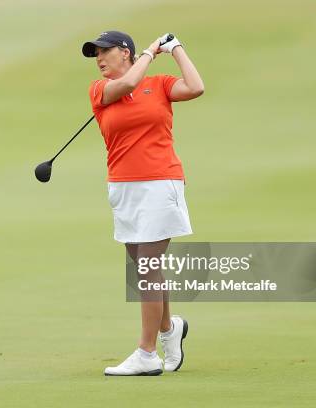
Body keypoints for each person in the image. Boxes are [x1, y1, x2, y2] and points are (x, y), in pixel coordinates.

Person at [82, 30, 205, 376]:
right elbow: (126, 85)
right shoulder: (100, 90)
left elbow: (195, 87)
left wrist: (175, 48)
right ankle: (169, 329)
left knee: (147, 266)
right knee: (142, 268)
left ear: (125, 52)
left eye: (105, 52)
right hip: (123, 188)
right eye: (96, 54)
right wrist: (151, 52)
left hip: (160, 182)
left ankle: (147, 352)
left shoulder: (160, 84)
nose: (100, 59)